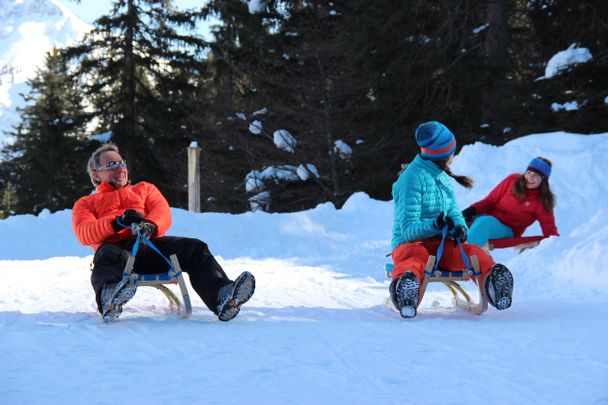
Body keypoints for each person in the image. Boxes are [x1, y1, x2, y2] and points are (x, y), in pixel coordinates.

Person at [72, 143, 255, 322]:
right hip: (118, 258)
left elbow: (162, 211)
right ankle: (109, 296)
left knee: (195, 248)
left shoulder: (144, 189)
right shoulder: (86, 203)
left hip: (151, 249)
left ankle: (222, 295)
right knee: (105, 253)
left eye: (121, 163)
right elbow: (84, 232)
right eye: (111, 165)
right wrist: (117, 222)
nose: (120, 168)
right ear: (96, 174)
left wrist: (151, 225)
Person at [390, 121, 513, 318]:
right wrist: (435, 225)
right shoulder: (411, 178)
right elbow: (407, 230)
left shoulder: (442, 177)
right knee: (415, 256)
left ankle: (494, 284)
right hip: (410, 244)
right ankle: (406, 289)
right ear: (444, 155)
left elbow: (454, 211)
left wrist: (460, 227)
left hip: (442, 245)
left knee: (472, 252)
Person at [462, 157, 558, 250]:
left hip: (507, 230)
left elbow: (550, 233)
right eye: (529, 172)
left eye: (536, 175)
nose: (530, 178)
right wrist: (469, 211)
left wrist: (551, 242)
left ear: (543, 179)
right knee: (457, 222)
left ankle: (461, 256)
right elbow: (490, 201)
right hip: (488, 218)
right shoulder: (512, 180)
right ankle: (448, 252)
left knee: (485, 222)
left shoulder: (542, 201)